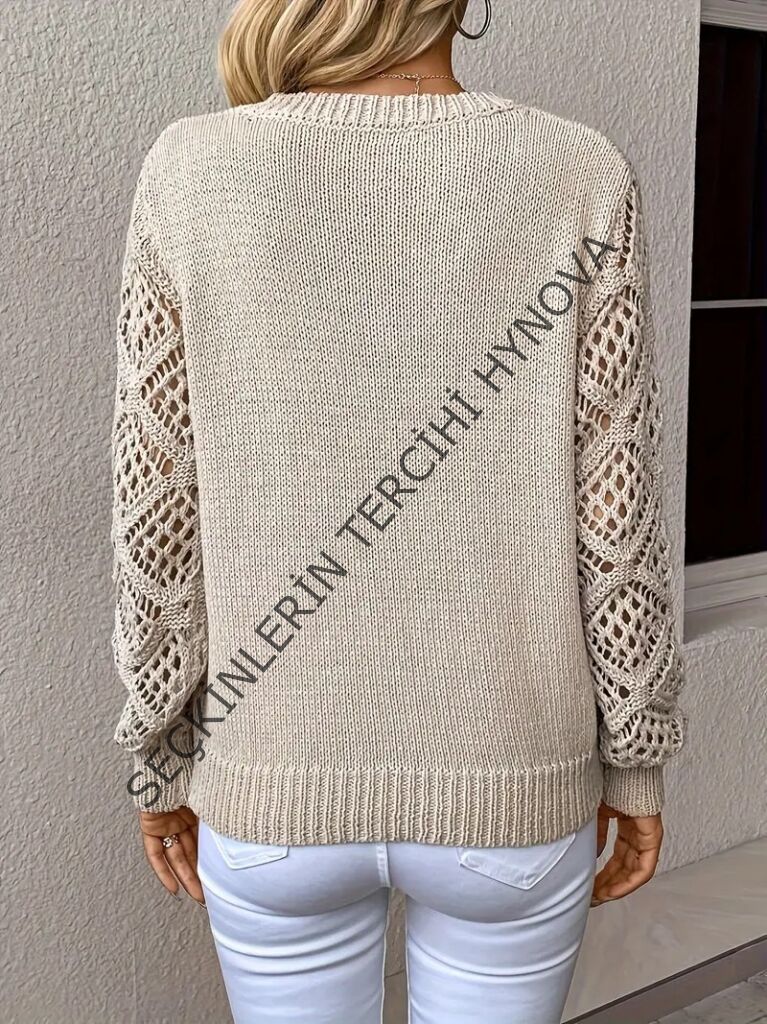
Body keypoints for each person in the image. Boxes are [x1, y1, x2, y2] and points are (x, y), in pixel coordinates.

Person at [109, 1, 688, 1020]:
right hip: (511, 792)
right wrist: (632, 764)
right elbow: (616, 511)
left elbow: (157, 511)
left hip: (273, 786)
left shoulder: (190, 169)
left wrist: (160, 754)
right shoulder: (576, 171)